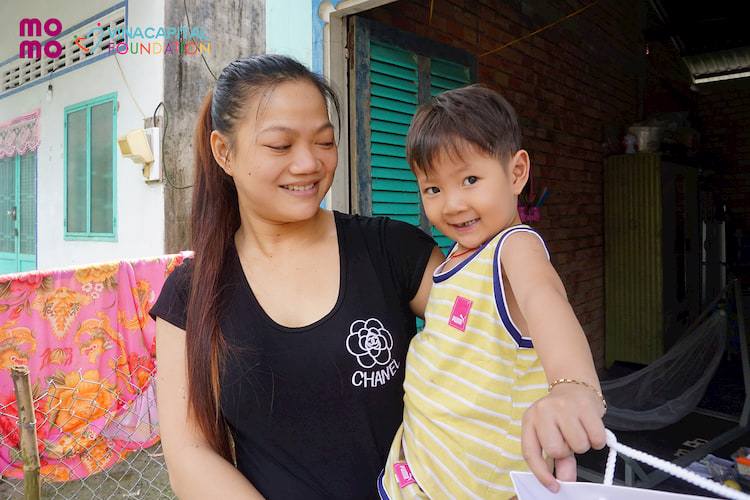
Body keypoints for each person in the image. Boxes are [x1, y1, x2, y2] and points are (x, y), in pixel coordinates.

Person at [150, 55, 603, 500]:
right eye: (281, 146)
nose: (308, 163)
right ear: (224, 152)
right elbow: (190, 456)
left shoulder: (391, 249)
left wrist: (570, 387)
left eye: (324, 142)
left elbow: (517, 314)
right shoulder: (191, 292)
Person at [378, 85, 606, 499]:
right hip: (417, 474)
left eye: (470, 179)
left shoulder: (513, 247)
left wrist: (572, 384)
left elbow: (544, 298)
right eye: (433, 189)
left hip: (478, 490)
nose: (452, 204)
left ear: (516, 173)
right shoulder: (454, 258)